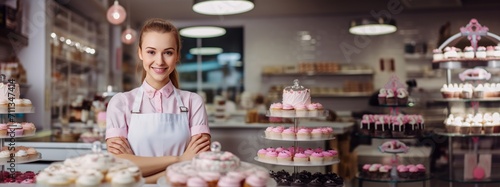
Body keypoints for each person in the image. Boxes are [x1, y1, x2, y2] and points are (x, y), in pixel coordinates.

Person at [105, 18, 211, 183]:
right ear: (140, 53)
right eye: (151, 52)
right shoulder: (120, 103)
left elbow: (199, 164)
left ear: (177, 56)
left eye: (168, 52)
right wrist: (180, 160)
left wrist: (142, 177)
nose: (160, 61)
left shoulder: (193, 102)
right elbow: (119, 166)